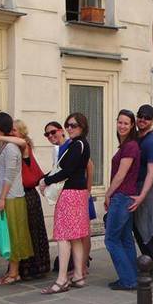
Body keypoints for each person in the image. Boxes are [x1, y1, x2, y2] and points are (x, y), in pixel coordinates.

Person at [0, 119, 51, 280]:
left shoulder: (22, 145)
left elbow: (20, 142)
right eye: (10, 130)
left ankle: (30, 269)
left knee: (29, 231)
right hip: (21, 193)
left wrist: (1, 138)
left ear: (22, 133)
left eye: (14, 131)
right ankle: (18, 270)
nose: (11, 133)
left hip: (27, 194)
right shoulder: (13, 146)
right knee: (22, 231)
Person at [39, 113, 91, 294]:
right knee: (75, 236)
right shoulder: (81, 144)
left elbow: (66, 171)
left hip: (70, 193)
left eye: (73, 125)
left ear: (82, 126)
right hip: (78, 192)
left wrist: (46, 180)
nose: (69, 128)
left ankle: (62, 279)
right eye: (67, 125)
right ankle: (78, 275)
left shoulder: (77, 144)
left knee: (62, 236)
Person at [0, 113, 34, 285]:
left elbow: (9, 175)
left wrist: (2, 198)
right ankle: (13, 270)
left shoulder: (10, 148)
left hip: (11, 197)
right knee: (11, 234)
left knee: (13, 234)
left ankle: (14, 273)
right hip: (10, 196)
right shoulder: (8, 145)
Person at [130, 104, 153, 282]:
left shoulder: (152, 141)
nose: (142, 119)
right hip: (137, 188)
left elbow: (152, 172)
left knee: (152, 229)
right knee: (140, 229)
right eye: (140, 116)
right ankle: (149, 265)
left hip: (147, 189)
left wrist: (142, 195)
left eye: (147, 117)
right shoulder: (138, 137)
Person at [104, 109, 141, 290]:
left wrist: (108, 194)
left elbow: (121, 174)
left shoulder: (130, 146)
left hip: (121, 196)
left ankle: (128, 279)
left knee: (111, 239)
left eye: (126, 123)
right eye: (120, 122)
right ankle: (132, 277)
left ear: (132, 125)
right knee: (125, 238)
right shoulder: (126, 145)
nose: (122, 126)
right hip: (125, 196)